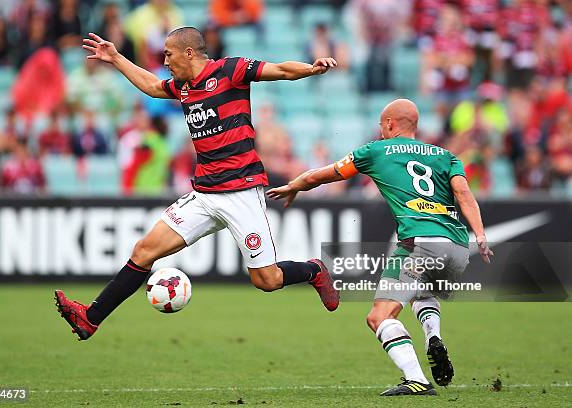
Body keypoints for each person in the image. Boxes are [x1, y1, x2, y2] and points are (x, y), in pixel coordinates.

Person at [54, 27, 340, 341]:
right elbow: (151, 86)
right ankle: (90, 318)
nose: (165, 61)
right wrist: (116, 57)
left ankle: (313, 269)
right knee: (145, 250)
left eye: (168, 54)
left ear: (188, 52)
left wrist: (311, 68)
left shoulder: (230, 71)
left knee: (267, 280)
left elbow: (281, 70)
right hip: (204, 193)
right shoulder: (183, 87)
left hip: (241, 190)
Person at [267, 99, 493, 396]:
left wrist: (294, 184)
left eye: (380, 124)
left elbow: (323, 174)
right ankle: (433, 336)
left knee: (379, 317)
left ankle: (417, 380)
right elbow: (463, 192)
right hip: (457, 246)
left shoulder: (376, 150)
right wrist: (480, 234)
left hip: (418, 244)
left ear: (389, 124)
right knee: (422, 292)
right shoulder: (445, 155)